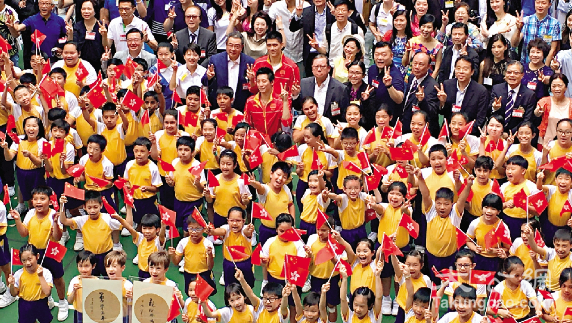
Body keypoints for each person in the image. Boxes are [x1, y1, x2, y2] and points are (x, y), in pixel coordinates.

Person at [203, 31, 255, 111]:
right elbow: (204, 81)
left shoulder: (250, 62)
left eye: (237, 46)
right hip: (218, 107)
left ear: (242, 47)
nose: (233, 49)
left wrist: (252, 79)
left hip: (241, 107)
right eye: (230, 45)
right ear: (226, 45)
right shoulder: (216, 60)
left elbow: (254, 89)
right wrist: (209, 77)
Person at [437, 56, 490, 135]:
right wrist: (442, 102)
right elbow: (442, 112)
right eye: (458, 68)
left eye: (465, 69)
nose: (461, 72)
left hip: (469, 134)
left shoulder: (481, 91)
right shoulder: (447, 85)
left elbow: (480, 119)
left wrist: (464, 133)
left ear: (472, 72)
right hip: (448, 132)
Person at [292, 55, 349, 124]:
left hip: (331, 128)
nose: (319, 69)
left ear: (328, 68)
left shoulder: (340, 89)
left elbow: (343, 116)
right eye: (316, 67)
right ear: (312, 69)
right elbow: (298, 107)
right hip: (308, 126)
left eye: (322, 67)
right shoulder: (304, 83)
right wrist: (296, 96)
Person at [6, 244, 53, 323]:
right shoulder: (18, 274)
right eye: (24, 260)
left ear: (37, 256)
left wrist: (40, 276)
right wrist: (11, 285)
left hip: (41, 303)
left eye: (30, 259)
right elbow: (14, 294)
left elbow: (47, 292)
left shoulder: (45, 273)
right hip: (25, 304)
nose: (27, 263)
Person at [249, 31, 300, 104]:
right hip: (261, 107)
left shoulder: (292, 67)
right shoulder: (258, 63)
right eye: (269, 45)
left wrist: (295, 94)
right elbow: (253, 91)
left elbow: (293, 94)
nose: (272, 48)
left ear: (281, 45)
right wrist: (251, 80)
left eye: (275, 45)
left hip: (283, 107)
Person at [289, 0, 335, 77]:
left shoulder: (332, 10)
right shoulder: (307, 11)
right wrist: (298, 16)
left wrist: (336, 15)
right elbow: (293, 28)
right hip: (311, 52)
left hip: (328, 52)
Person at [489, 61, 536, 135]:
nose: (512, 75)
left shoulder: (529, 95)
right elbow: (488, 112)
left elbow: (526, 120)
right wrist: (494, 108)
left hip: (516, 136)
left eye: (516, 73)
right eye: (509, 72)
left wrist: (509, 134)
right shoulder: (497, 89)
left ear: (522, 75)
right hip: (496, 134)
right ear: (505, 74)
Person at [243, 67, 291, 136]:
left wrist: (285, 101)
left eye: (264, 81)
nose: (261, 85)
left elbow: (287, 124)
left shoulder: (280, 101)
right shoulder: (250, 101)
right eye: (258, 81)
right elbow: (247, 125)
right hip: (257, 142)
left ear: (272, 82)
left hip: (276, 142)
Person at [401, 52, 439, 137]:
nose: (417, 67)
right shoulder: (411, 77)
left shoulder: (433, 86)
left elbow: (432, 113)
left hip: (423, 133)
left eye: (421, 64)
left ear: (428, 66)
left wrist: (422, 101)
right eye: (415, 63)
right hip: (408, 126)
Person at [512, 0, 560, 64]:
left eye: (543, 3)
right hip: (526, 64)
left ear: (549, 5)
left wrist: (545, 68)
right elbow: (514, 44)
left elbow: (553, 49)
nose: (540, 5)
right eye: (538, 2)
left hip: (544, 64)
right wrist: (518, 29)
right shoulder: (526, 21)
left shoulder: (555, 23)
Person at [368, 41, 404, 120]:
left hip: (390, 119)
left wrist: (389, 85)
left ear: (391, 56)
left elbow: (399, 99)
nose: (379, 58)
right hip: (374, 116)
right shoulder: (372, 69)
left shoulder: (395, 75)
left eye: (384, 55)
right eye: (377, 54)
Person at [324, 0, 364, 67]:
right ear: (334, 12)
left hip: (350, 67)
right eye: (338, 10)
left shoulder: (356, 30)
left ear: (348, 13)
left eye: (343, 10)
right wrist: (317, 47)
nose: (340, 12)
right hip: (332, 66)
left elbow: (361, 53)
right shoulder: (328, 29)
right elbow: (325, 50)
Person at [536, 74, 572, 146]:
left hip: (567, 145)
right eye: (554, 86)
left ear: (566, 87)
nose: (557, 89)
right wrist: (538, 112)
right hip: (545, 142)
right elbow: (536, 113)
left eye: (560, 86)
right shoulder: (544, 101)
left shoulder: (571, 103)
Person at [71, 0, 105, 73]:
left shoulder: (101, 25)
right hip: (81, 65)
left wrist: (104, 35)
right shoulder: (77, 26)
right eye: (83, 9)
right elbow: (73, 44)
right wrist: (70, 34)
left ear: (95, 10)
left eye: (89, 9)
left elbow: (106, 46)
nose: (86, 11)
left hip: (98, 64)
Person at [344, 61, 376, 130]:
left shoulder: (369, 90)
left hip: (363, 127)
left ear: (363, 75)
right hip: (346, 125)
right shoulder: (343, 87)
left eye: (357, 73)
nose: (353, 76)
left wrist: (365, 101)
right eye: (351, 72)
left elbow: (371, 115)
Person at [381, 10, 412, 77]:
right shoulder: (389, 35)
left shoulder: (412, 38)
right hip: (389, 69)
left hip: (405, 70)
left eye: (401, 20)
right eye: (396, 20)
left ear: (407, 21)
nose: (398, 23)